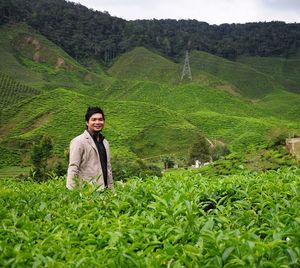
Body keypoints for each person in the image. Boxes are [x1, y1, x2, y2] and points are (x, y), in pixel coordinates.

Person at [67, 106, 113, 190]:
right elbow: (73, 167)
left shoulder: (105, 142)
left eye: (100, 119)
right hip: (88, 191)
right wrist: (71, 192)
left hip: (105, 192)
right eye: (94, 119)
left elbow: (108, 168)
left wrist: (112, 190)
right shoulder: (79, 141)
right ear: (87, 122)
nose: (98, 122)